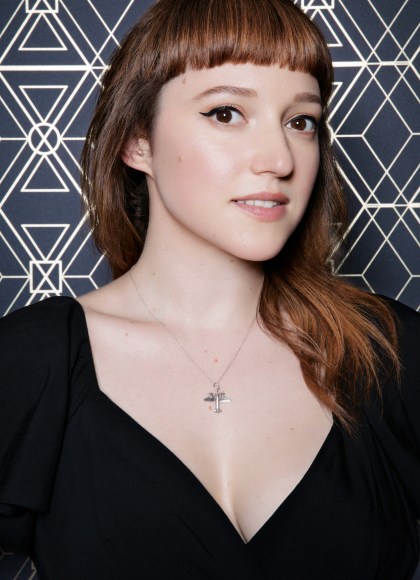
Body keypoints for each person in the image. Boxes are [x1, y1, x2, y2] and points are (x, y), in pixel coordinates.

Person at [0, 0, 419, 578]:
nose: (279, 159)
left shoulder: (388, 351)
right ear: (137, 142)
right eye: (226, 113)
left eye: (301, 122)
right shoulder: (31, 361)